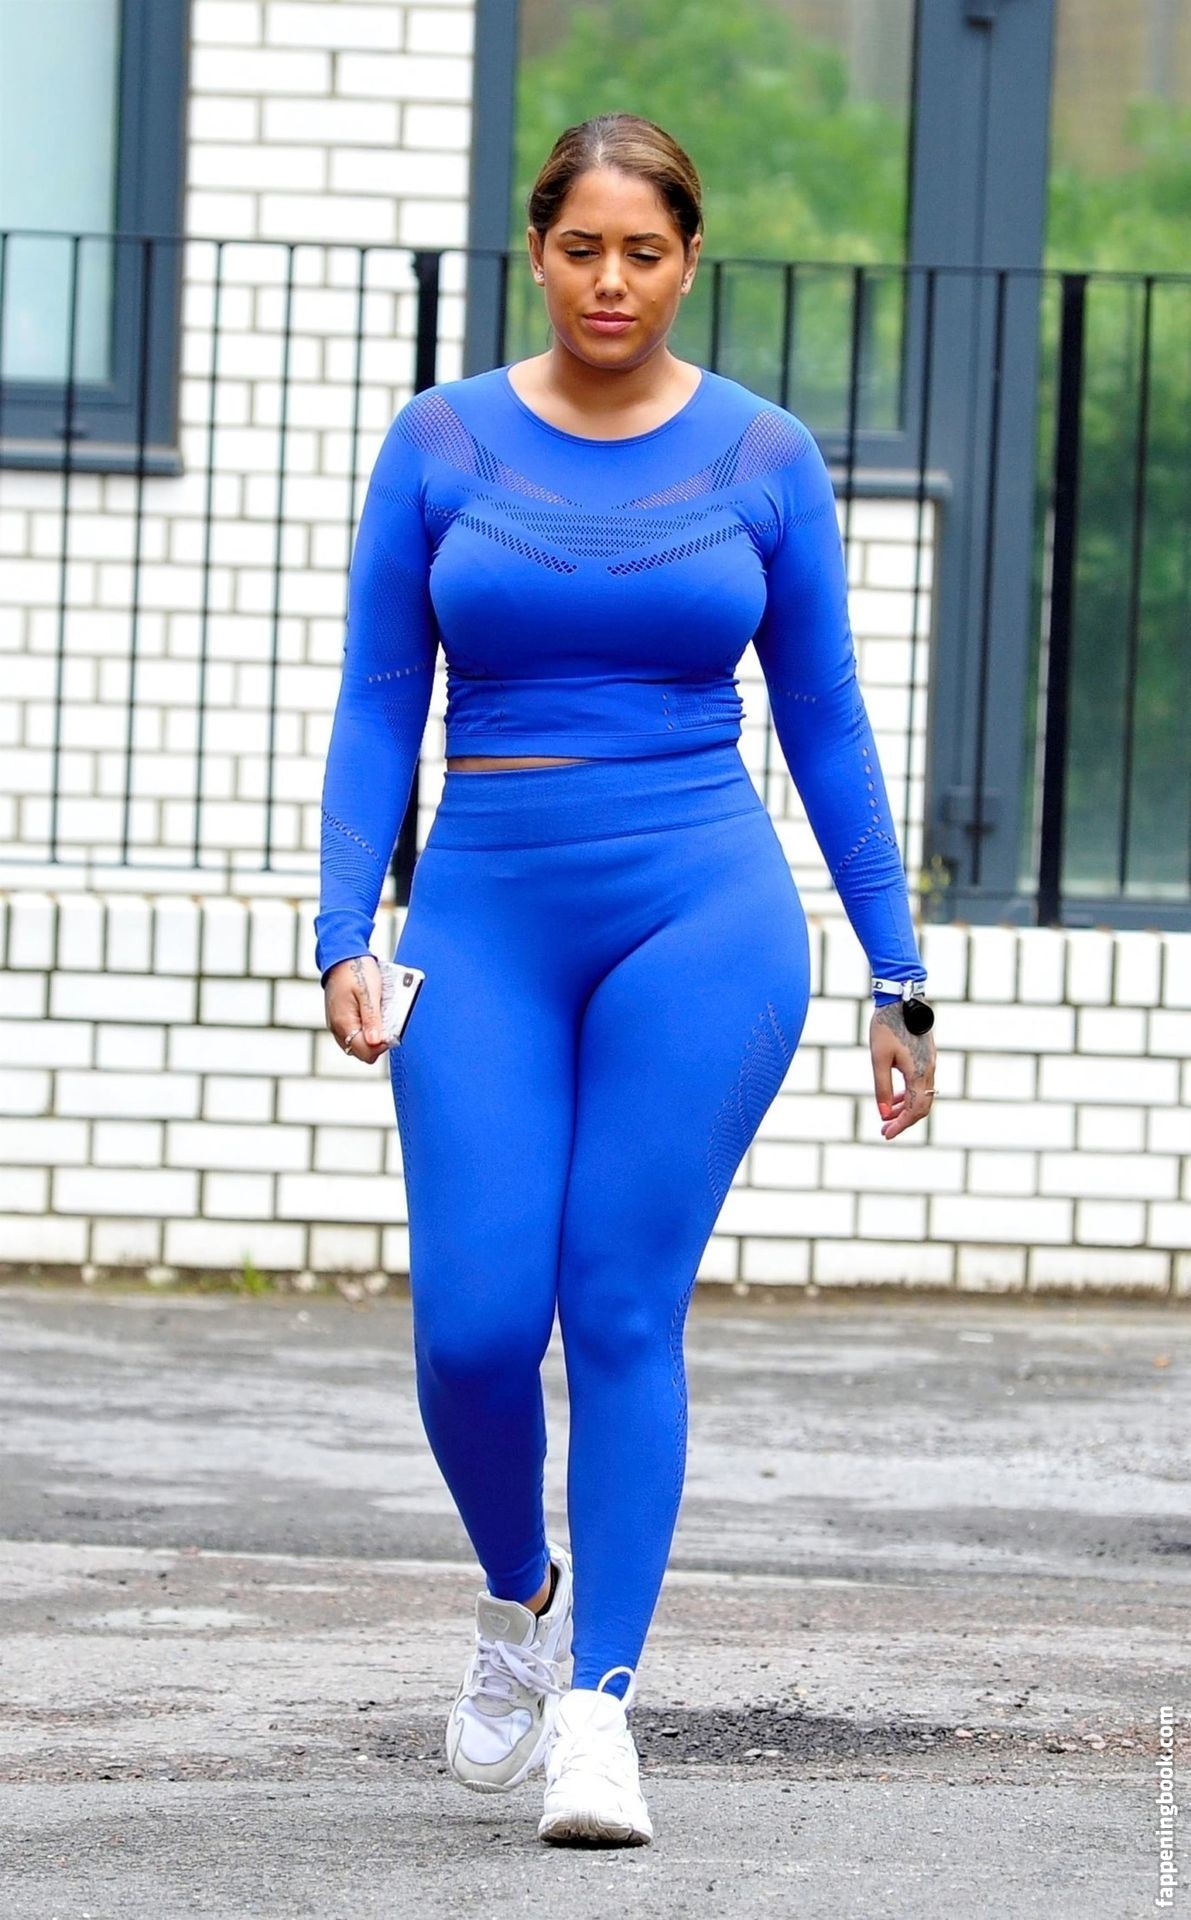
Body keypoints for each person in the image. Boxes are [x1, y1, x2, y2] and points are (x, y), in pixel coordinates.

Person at [314, 112, 937, 1849]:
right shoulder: (441, 443)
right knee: (474, 1328)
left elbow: (825, 717)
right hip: (486, 915)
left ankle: (599, 1708)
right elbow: (379, 697)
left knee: (619, 1306)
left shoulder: (765, 454)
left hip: (703, 912)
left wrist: (898, 976)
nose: (610, 281)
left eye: (643, 252)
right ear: (538, 252)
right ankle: (520, 1600)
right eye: (581, 248)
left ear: (688, 259)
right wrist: (346, 928)